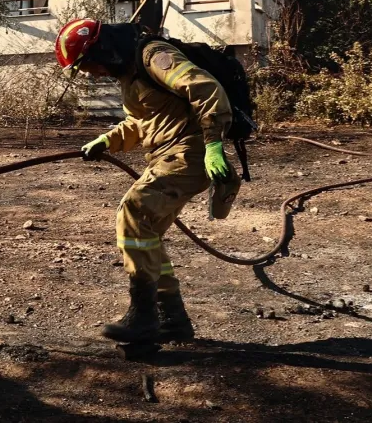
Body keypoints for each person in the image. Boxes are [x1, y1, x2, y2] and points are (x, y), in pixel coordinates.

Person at [54, 18, 240, 344]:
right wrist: (107, 141)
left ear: (103, 50)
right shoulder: (130, 74)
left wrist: (213, 145)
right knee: (147, 234)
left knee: (134, 212)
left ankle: (143, 317)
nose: (90, 73)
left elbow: (205, 88)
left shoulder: (154, 55)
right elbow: (141, 122)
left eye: (88, 64)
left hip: (189, 153)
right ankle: (173, 319)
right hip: (168, 155)